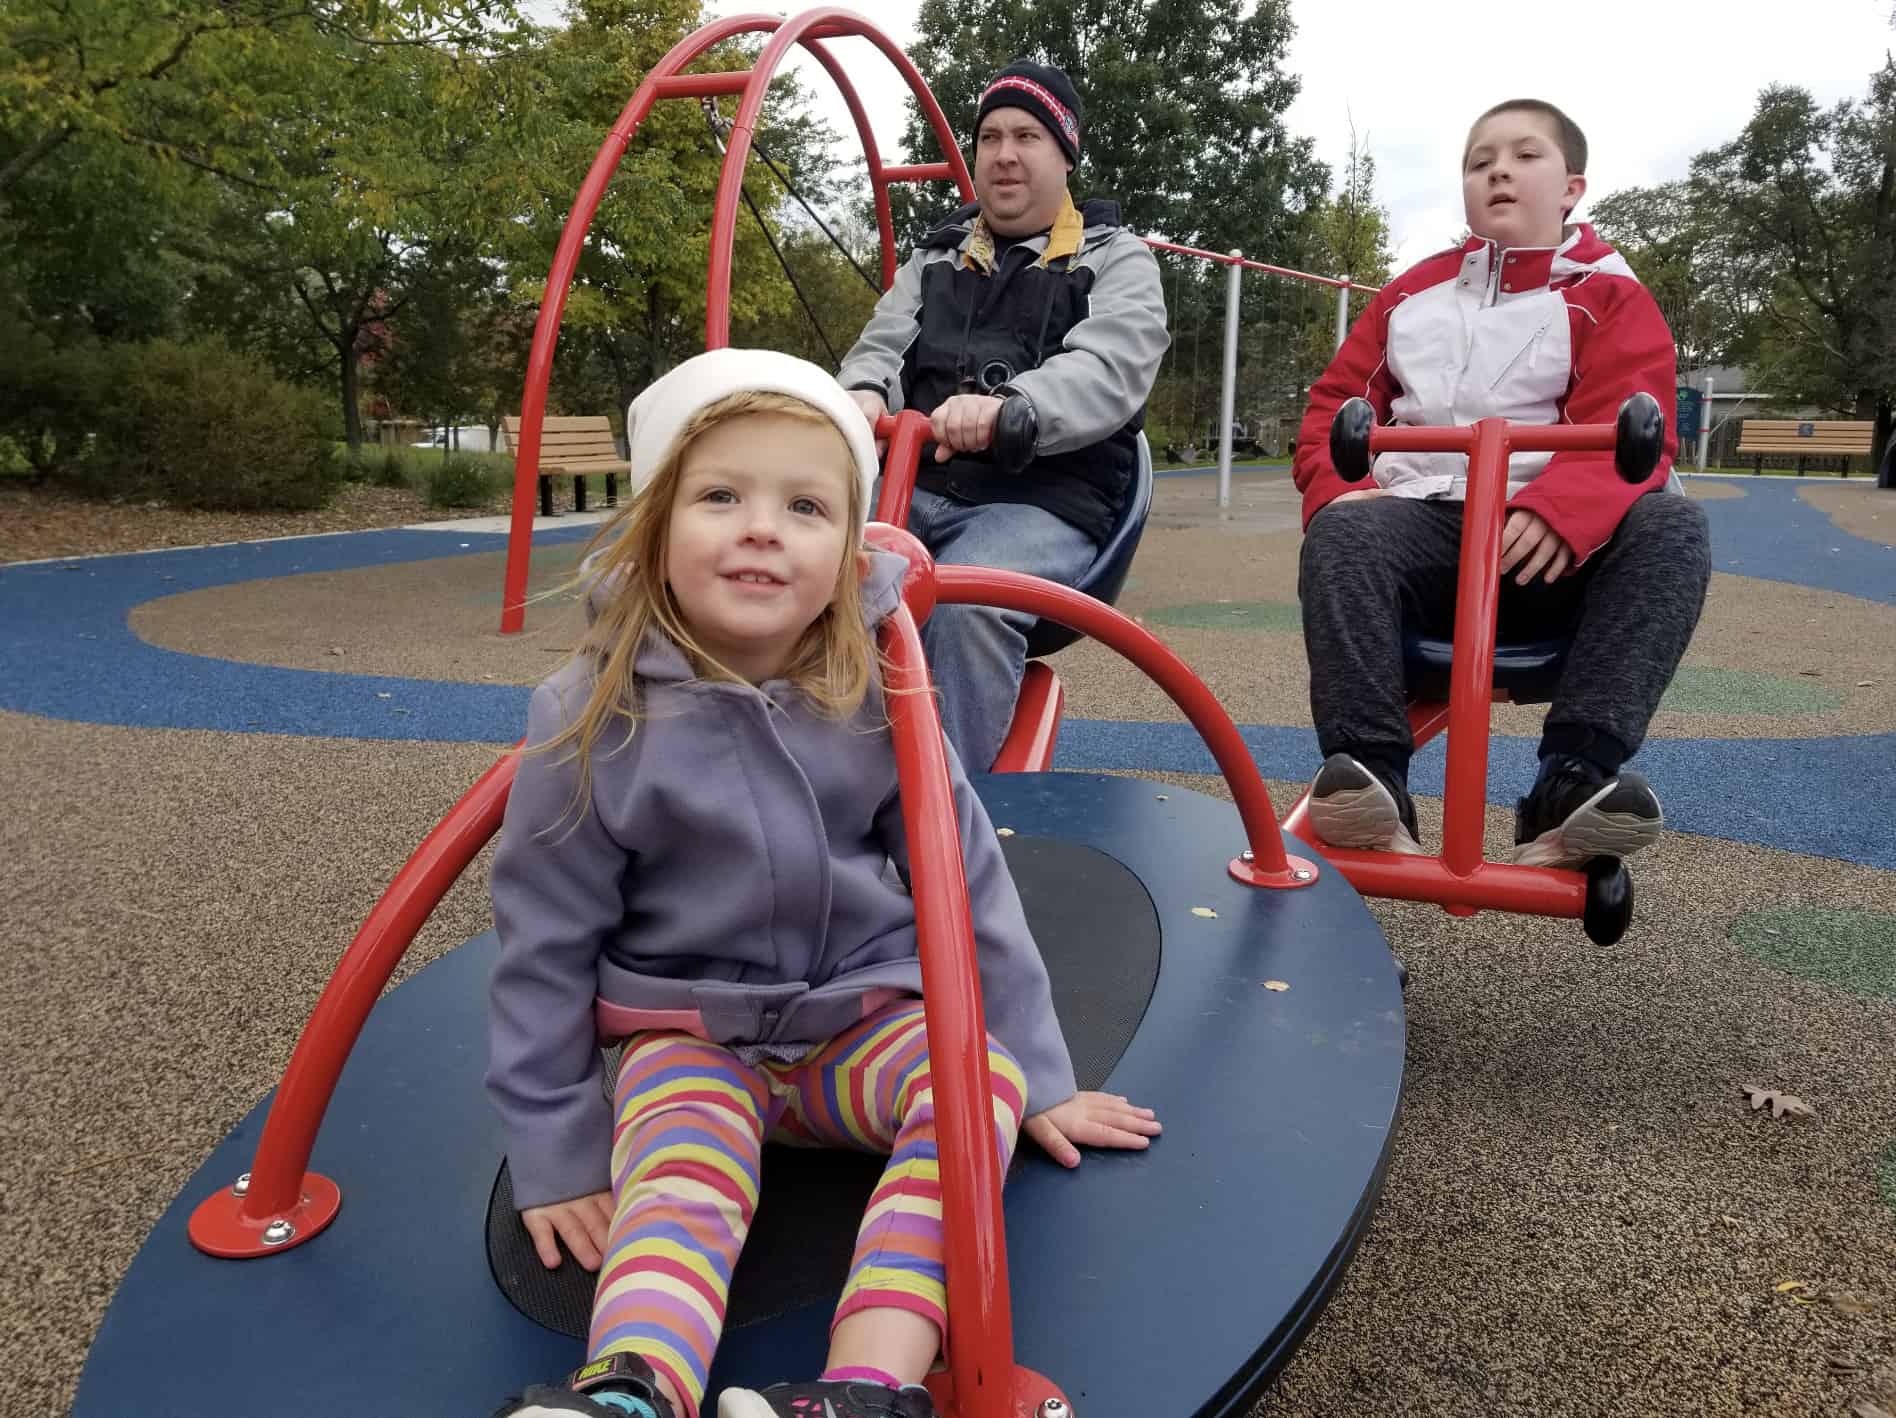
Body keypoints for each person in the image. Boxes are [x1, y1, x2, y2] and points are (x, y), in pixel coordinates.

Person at [486, 348, 1160, 1418]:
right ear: (654, 526)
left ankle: (861, 1386)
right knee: (676, 1182)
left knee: (970, 1084)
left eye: (805, 505)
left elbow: (968, 879)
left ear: (846, 552)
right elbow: (541, 940)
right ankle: (629, 1389)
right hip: (693, 1034)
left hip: (857, 1023)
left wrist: (1040, 1070)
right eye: (720, 496)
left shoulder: (877, 686)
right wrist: (557, 1146)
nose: (763, 527)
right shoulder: (590, 716)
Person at [1291, 98, 1712, 868]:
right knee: (1344, 529)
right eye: (1479, 161)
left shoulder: (1610, 294)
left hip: (1545, 548)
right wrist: (1336, 488)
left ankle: (1572, 780)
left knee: (1674, 526)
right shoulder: (1412, 295)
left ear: (1572, 187)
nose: (1498, 171)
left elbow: (1633, 421)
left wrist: (1561, 510)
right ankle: (1367, 777)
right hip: (1429, 526)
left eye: (1524, 156)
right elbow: (1334, 407)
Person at [836, 59, 1169, 772]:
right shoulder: (939, 256)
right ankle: (805, 771)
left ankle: (937, 820)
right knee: (806, 556)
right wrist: (862, 394)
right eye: (990, 137)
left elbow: (1111, 366)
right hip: (919, 486)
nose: (1006, 154)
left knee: (965, 596)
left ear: (1065, 154)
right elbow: (884, 344)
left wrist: (1015, 409)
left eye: (1028, 136)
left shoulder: (1117, 260)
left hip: (1046, 498)